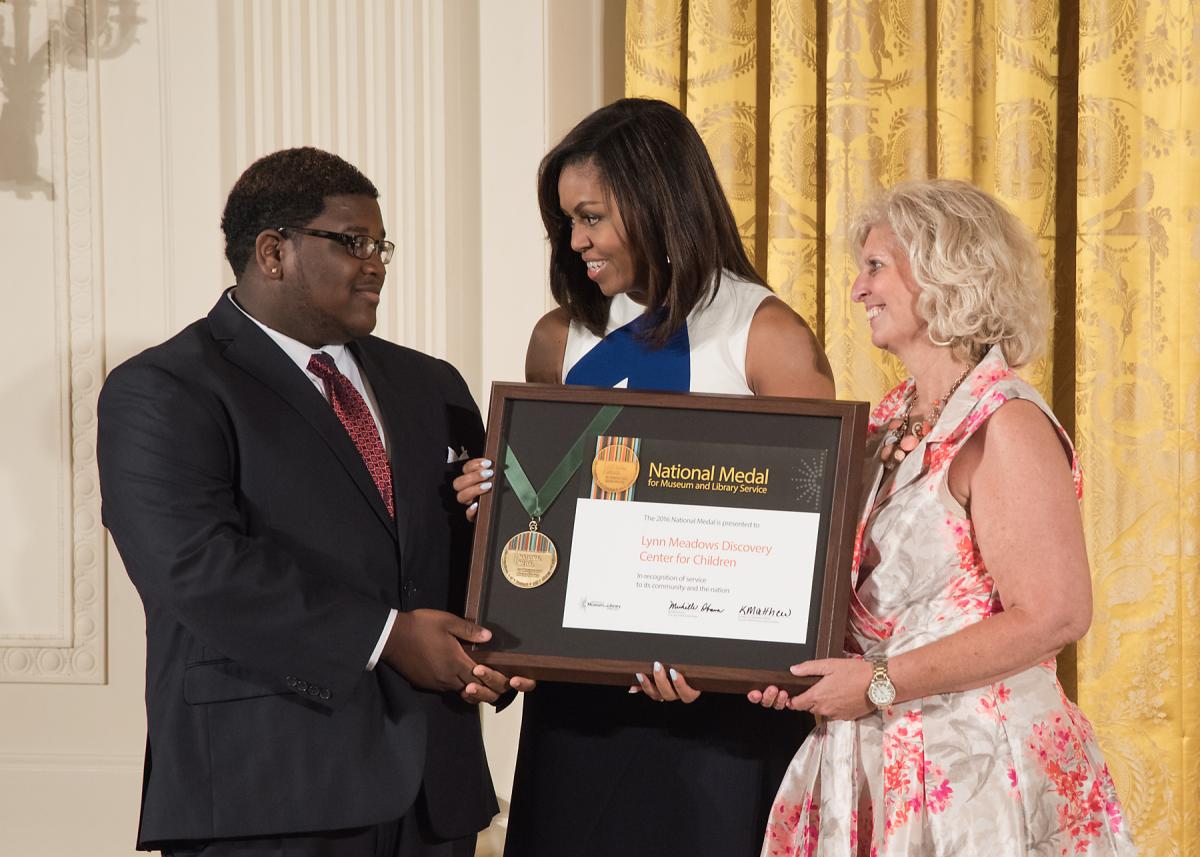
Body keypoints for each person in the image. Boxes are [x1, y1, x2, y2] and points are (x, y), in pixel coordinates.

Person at [97, 147, 529, 857]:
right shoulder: (164, 389)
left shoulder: (431, 384)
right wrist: (389, 637)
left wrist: (503, 643)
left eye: (381, 243)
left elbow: (476, 550)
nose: (377, 262)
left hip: (433, 797)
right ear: (273, 252)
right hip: (267, 795)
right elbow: (196, 569)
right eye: (353, 242)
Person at [455, 98, 835, 857]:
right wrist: (495, 505)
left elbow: (817, 539)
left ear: (655, 197)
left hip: (723, 724)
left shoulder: (766, 333)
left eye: (591, 217)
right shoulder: (559, 336)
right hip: (580, 709)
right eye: (566, 222)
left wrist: (723, 663)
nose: (577, 241)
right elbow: (550, 516)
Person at [751, 178, 1137, 855]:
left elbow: (1056, 614)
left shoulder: (1007, 421)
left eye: (875, 266)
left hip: (983, 782)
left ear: (943, 270)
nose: (856, 290)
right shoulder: (878, 424)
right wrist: (788, 666)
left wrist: (875, 682)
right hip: (870, 763)